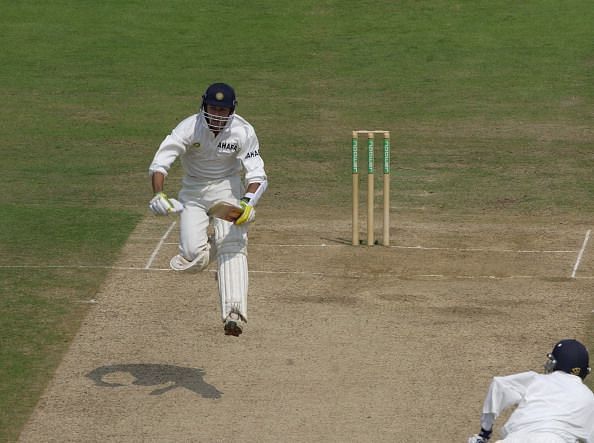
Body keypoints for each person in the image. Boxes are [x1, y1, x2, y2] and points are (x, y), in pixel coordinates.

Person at [148, 82, 267, 337]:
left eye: (223, 110)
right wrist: (158, 194)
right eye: (213, 108)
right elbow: (160, 163)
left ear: (231, 110)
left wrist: (246, 203)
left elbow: (257, 174)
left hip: (227, 191)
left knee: (234, 245)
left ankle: (233, 314)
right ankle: (217, 243)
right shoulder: (189, 127)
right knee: (192, 256)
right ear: (204, 105)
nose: (217, 114)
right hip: (193, 194)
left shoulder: (243, 131)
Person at [468, 339, 594, 443]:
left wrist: (485, 433)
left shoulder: (536, 380)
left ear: (555, 362)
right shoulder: (589, 398)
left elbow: (499, 384)